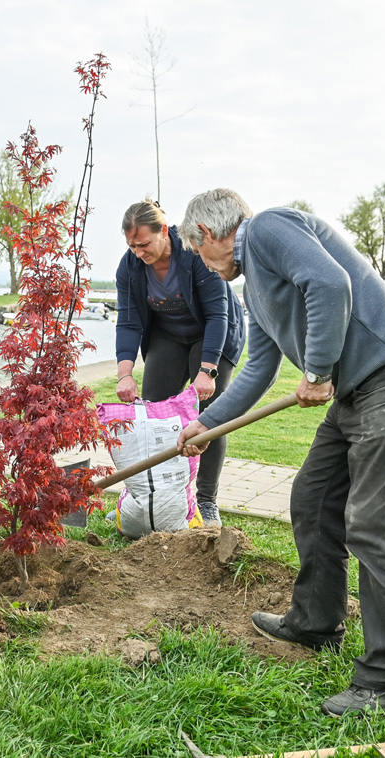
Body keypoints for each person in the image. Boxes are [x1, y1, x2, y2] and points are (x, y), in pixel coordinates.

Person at [175, 190, 385, 717]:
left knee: (380, 527)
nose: (202, 263)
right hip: (355, 392)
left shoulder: (268, 228)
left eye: (196, 251)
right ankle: (317, 623)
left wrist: (317, 369)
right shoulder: (256, 286)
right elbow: (258, 368)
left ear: (206, 234)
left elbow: (329, 283)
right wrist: (207, 423)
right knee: (314, 498)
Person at [115, 199, 246, 527]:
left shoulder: (193, 252)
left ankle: (206, 501)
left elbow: (218, 313)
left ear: (163, 231)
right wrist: (124, 374)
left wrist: (207, 371)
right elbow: (128, 321)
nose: (138, 253)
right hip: (168, 336)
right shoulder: (130, 267)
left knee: (210, 419)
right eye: (132, 246)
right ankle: (154, 498)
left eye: (144, 244)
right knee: (154, 416)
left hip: (214, 333)